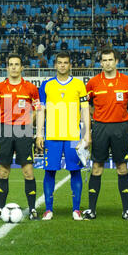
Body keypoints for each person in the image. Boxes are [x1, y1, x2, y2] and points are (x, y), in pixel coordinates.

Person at [83, 47, 128, 220]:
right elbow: (86, 105)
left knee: (122, 167)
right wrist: (97, 117)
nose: (107, 63)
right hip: (100, 128)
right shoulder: (92, 83)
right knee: (97, 167)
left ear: (116, 61)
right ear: (101, 63)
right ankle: (92, 210)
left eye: (110, 60)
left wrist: (124, 120)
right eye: (104, 60)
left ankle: (126, 210)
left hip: (120, 129)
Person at [36, 51, 91, 221]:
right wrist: (39, 133)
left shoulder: (79, 84)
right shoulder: (46, 85)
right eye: (59, 62)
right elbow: (40, 110)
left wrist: (87, 133)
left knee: (75, 172)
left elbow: (85, 110)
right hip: (51, 136)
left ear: (70, 65)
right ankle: (48, 209)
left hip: (73, 136)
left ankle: (76, 210)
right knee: (49, 171)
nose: (62, 65)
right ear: (55, 65)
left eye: (65, 62)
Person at [0, 53, 42, 221]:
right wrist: (1, 123)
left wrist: (27, 122)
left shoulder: (31, 88)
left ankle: (33, 209)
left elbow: (37, 110)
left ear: (22, 68)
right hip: (5, 131)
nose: (13, 67)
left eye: (16, 64)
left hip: (24, 131)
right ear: (7, 67)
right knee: (3, 172)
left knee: (28, 171)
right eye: (10, 64)